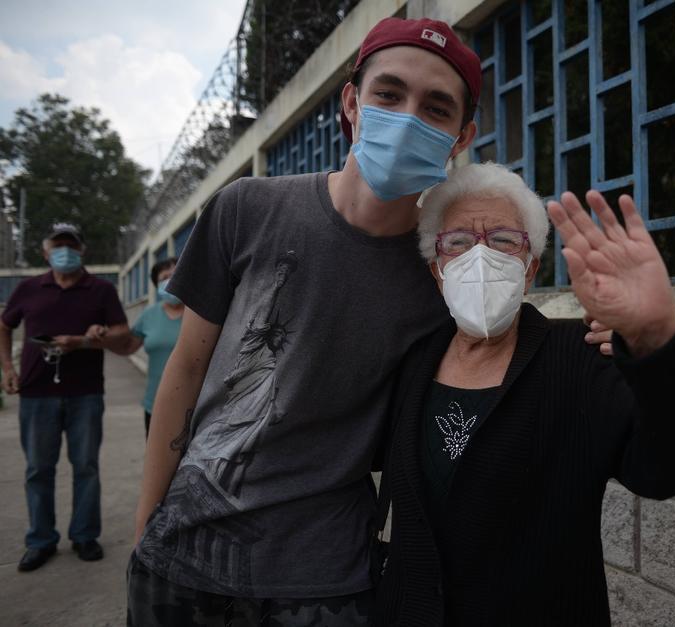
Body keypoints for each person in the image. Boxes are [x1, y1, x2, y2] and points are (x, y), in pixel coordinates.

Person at [126, 17, 482, 625]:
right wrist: (146, 534)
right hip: (181, 556)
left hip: (324, 584)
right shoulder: (247, 209)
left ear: (460, 137)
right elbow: (185, 372)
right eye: (389, 95)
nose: (407, 118)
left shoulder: (442, 281)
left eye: (436, 108)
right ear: (351, 101)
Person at [371, 163, 675, 626]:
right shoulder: (410, 365)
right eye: (457, 242)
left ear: (529, 267)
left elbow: (670, 469)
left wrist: (656, 339)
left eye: (502, 240)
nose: (479, 256)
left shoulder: (580, 358)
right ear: (437, 271)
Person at [0, 223, 129, 572]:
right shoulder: (28, 288)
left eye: (71, 245)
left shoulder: (101, 290)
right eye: (57, 246)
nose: (64, 251)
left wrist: (91, 337)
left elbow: (121, 333)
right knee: (38, 469)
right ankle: (40, 540)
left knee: (85, 467)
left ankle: (85, 535)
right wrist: (8, 370)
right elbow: (5, 324)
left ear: (82, 251)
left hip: (85, 393)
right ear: (45, 252)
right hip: (35, 393)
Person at [91, 257, 182, 437]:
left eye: (176, 274)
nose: (171, 280)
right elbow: (127, 347)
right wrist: (103, 335)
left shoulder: (203, 314)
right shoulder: (149, 315)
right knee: (160, 463)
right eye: (164, 277)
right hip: (157, 404)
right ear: (156, 285)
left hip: (199, 405)